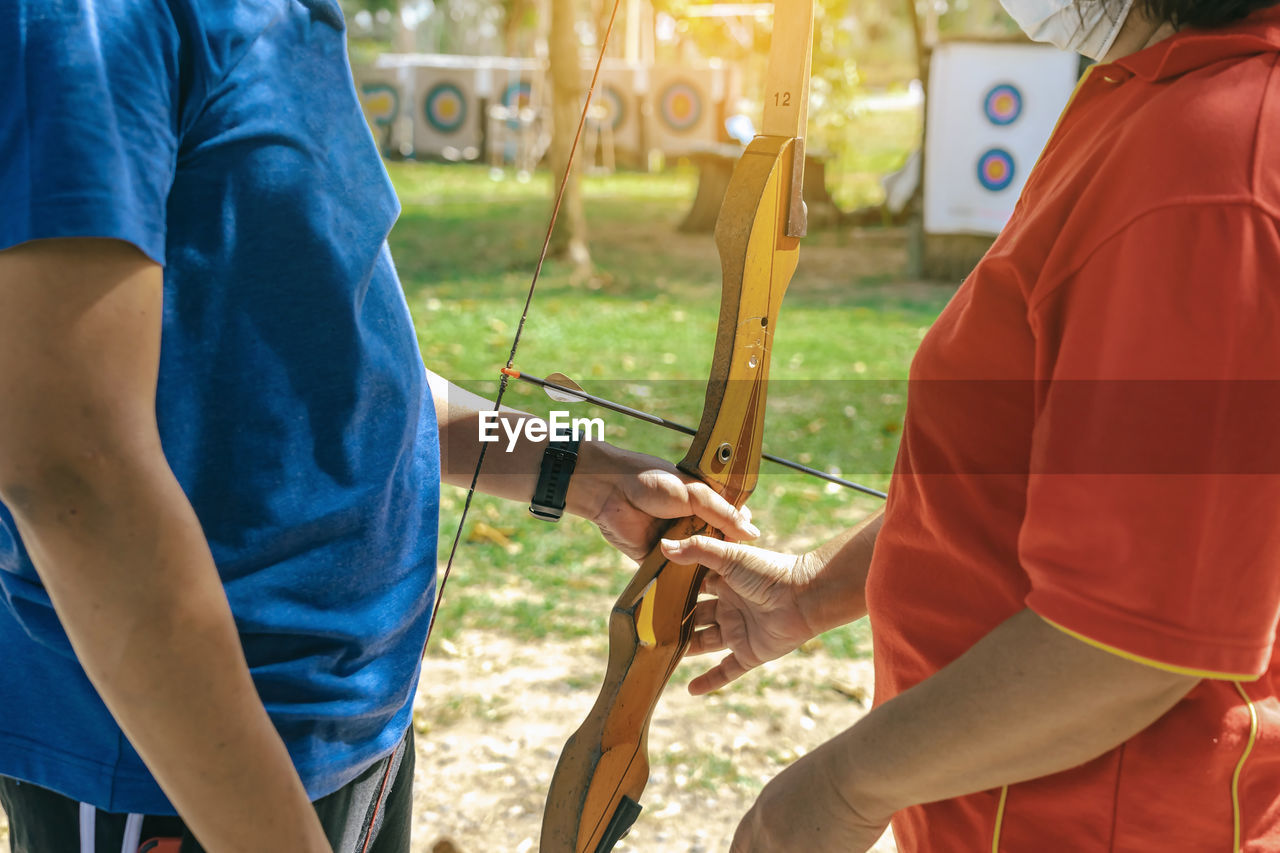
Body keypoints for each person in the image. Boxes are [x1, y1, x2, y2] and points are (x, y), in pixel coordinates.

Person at [0, 2, 757, 851]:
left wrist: (576, 470)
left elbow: (338, 374)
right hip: (180, 762)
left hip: (350, 719)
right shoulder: (87, 21)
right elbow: (69, 467)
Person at [664, 1, 1280, 850]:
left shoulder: (1218, 158)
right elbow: (1048, 474)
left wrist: (838, 790)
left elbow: (1136, 640)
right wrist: (816, 587)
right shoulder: (1155, 99)